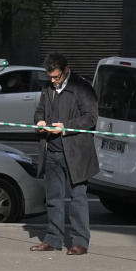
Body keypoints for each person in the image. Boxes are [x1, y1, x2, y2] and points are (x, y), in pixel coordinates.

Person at [30, 53, 99, 255]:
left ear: (66, 70)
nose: (53, 80)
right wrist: (40, 122)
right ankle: (53, 239)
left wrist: (66, 127)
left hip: (76, 153)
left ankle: (80, 242)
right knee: (53, 198)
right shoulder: (48, 88)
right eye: (50, 77)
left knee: (78, 198)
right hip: (52, 151)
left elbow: (91, 118)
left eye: (56, 77)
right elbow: (39, 111)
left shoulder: (81, 87)